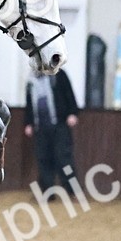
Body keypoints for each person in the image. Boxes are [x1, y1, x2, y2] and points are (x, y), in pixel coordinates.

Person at [24, 67, 80, 195]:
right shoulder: (30, 81)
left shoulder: (59, 75)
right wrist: (28, 123)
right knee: (43, 159)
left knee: (63, 159)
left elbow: (69, 93)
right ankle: (48, 193)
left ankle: (73, 191)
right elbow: (29, 103)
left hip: (60, 124)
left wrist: (72, 112)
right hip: (40, 127)